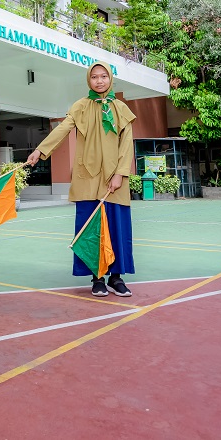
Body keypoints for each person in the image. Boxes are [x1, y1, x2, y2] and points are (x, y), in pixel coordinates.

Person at [26, 62, 137, 297]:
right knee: (90, 229)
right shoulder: (80, 107)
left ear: (110, 79)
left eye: (103, 76)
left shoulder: (120, 108)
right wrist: (40, 150)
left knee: (117, 228)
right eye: (94, 77)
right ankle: (97, 278)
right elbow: (62, 129)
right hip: (87, 177)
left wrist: (119, 174)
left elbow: (127, 146)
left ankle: (116, 277)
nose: (99, 81)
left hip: (115, 179)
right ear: (89, 80)